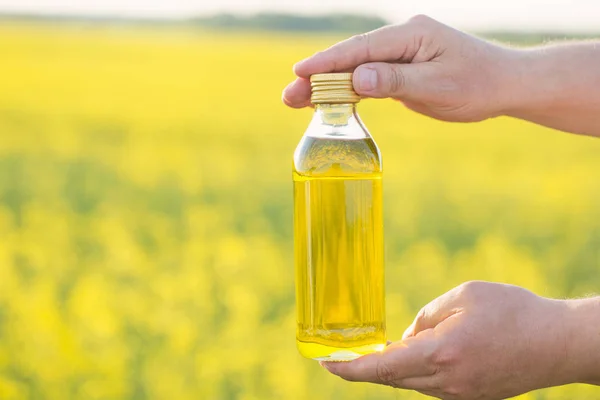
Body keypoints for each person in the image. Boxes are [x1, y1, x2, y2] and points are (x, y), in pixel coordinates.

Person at [282, 15, 600, 400]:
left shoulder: (340, 150)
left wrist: (564, 342)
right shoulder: (321, 150)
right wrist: (503, 73)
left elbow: (562, 343)